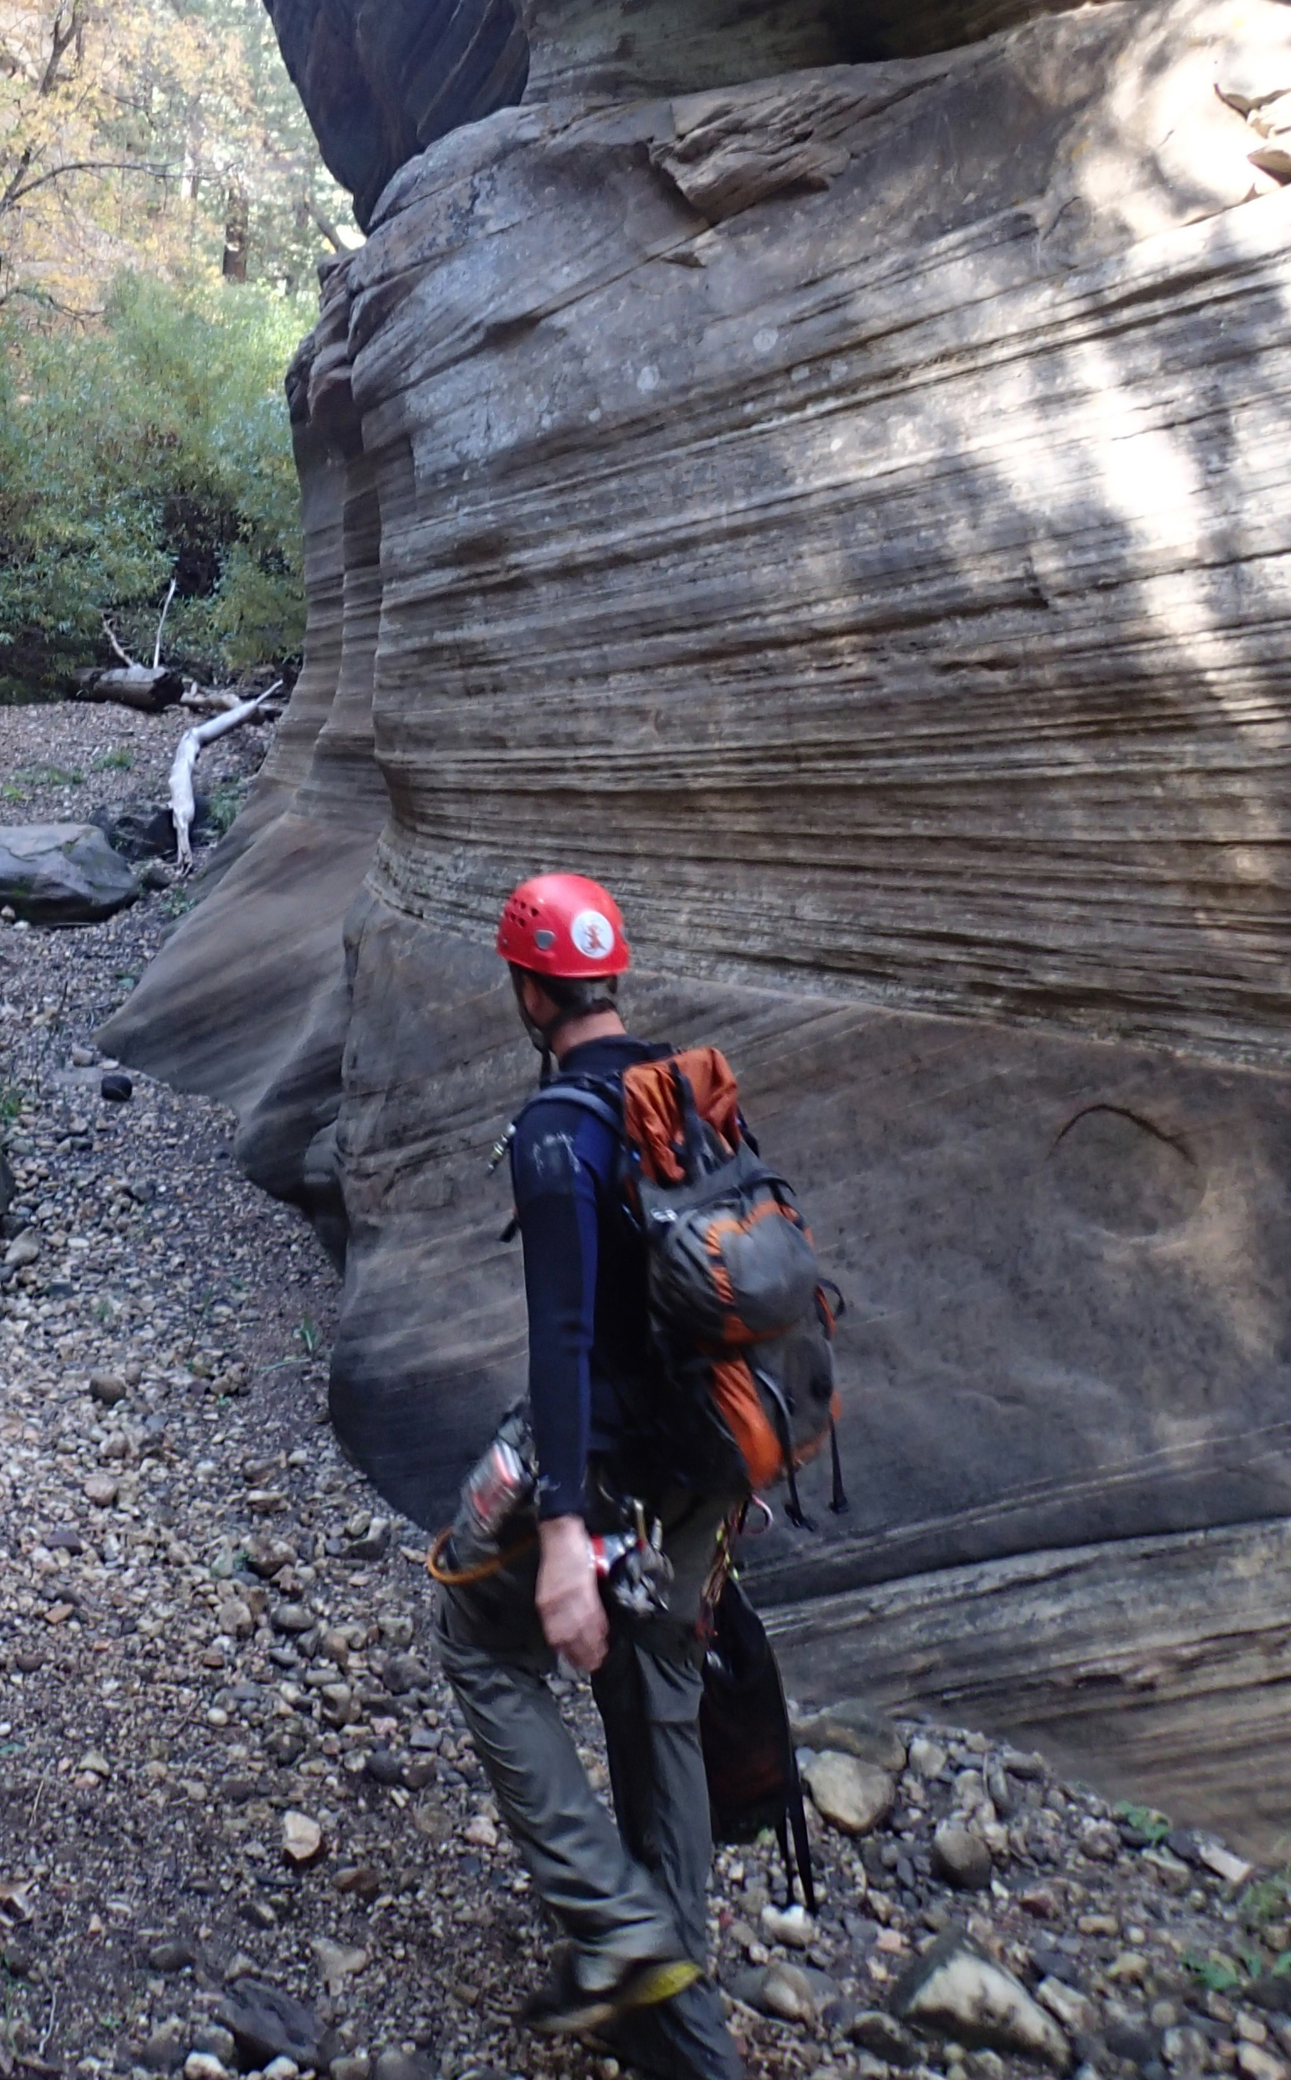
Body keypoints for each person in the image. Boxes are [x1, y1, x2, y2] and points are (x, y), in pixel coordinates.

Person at [430, 869, 746, 2080]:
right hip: (714, 1463)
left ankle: (619, 1932)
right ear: (607, 979)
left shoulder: (557, 1131)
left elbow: (559, 1338)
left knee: (470, 1629)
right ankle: (680, 2015)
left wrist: (562, 1533)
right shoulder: (690, 1092)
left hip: (610, 1470)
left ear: (525, 990)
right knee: (653, 1692)